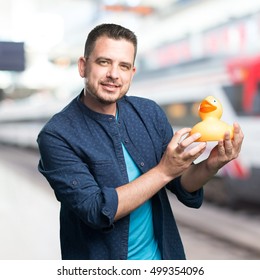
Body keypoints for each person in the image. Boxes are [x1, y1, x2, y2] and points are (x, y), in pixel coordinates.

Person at [37, 23, 244, 260]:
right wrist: (164, 170)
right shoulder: (57, 134)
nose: (114, 74)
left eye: (123, 66)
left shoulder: (148, 113)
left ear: (132, 73)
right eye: (104, 62)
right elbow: (96, 210)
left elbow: (182, 184)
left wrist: (211, 164)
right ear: (83, 66)